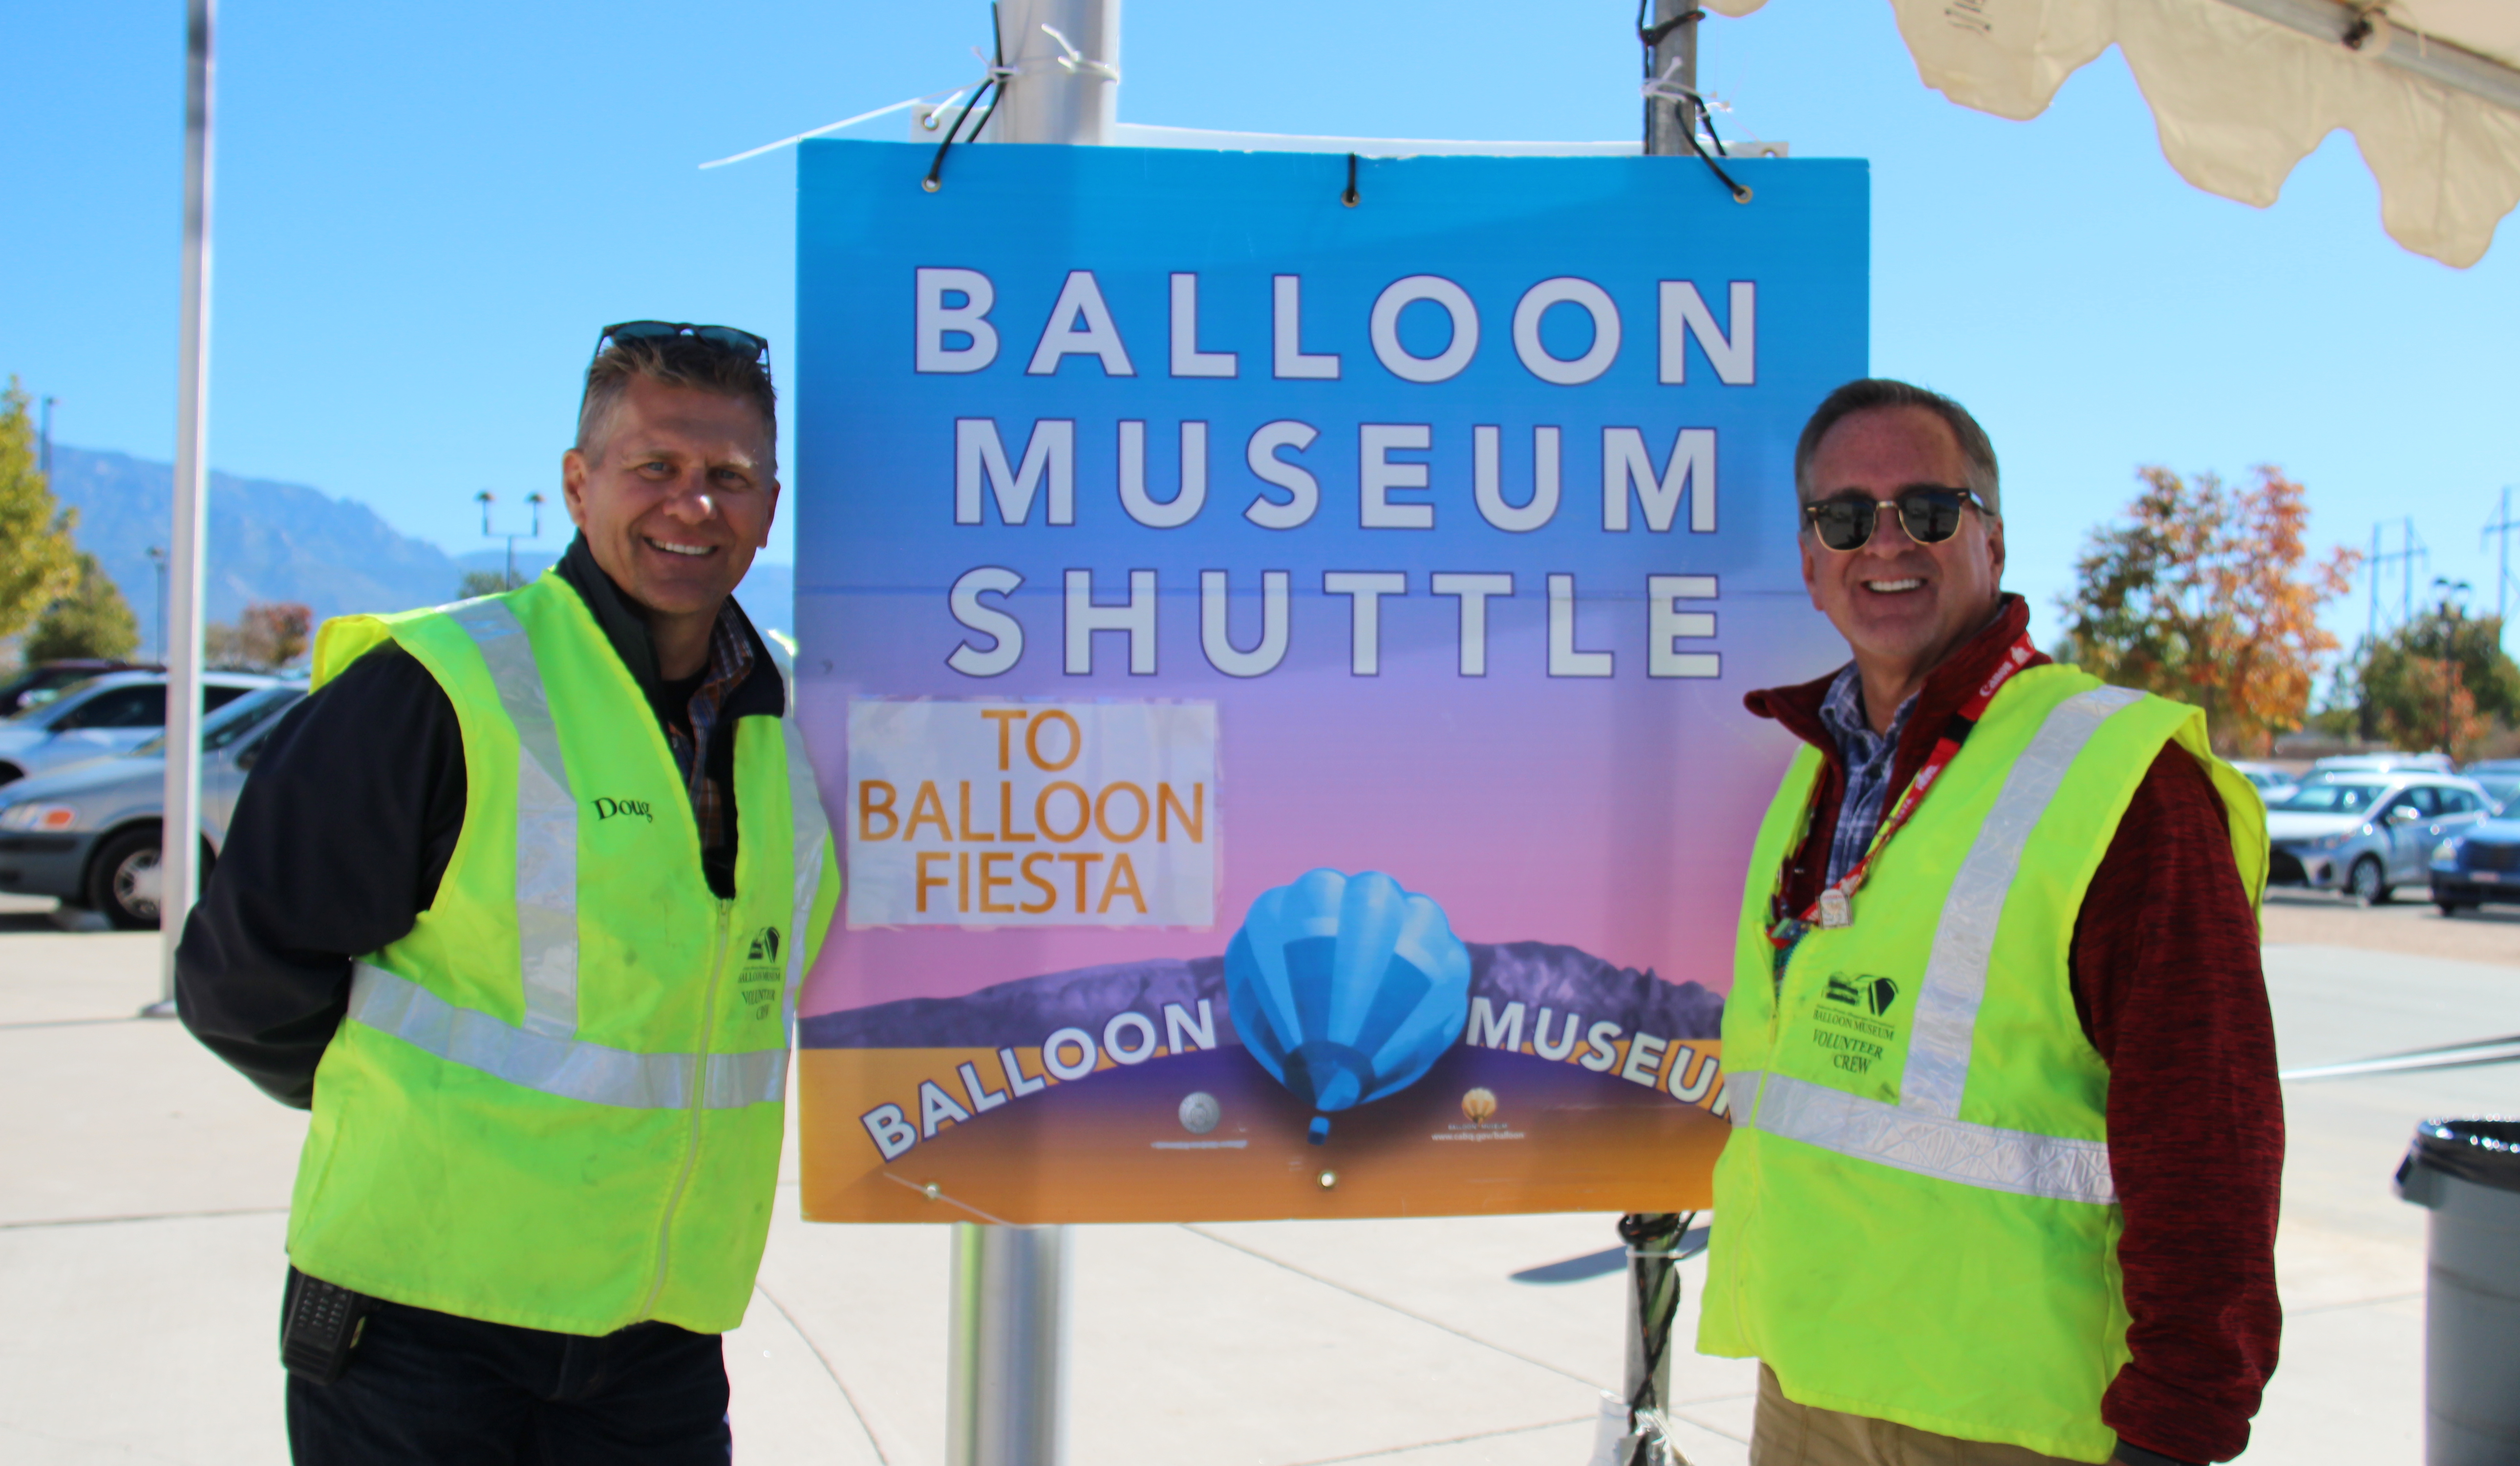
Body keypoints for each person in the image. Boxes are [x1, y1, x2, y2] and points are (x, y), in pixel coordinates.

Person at [177, 321, 835, 1463]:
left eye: (728, 477)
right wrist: (401, 1110)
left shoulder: (799, 717)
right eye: (656, 468)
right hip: (422, 1331)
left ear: (769, 507)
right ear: (578, 486)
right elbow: (243, 978)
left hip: (659, 1332)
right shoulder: (440, 686)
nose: (693, 505)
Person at [1697, 380, 2281, 1466]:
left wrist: (2180, 1421)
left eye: (1927, 509)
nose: (1886, 543)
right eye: (1845, 517)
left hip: (2020, 1421)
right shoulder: (1813, 776)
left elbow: (2210, 1130)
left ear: (1992, 539)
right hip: (1813, 1384)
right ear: (1811, 561)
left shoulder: (2122, 781)